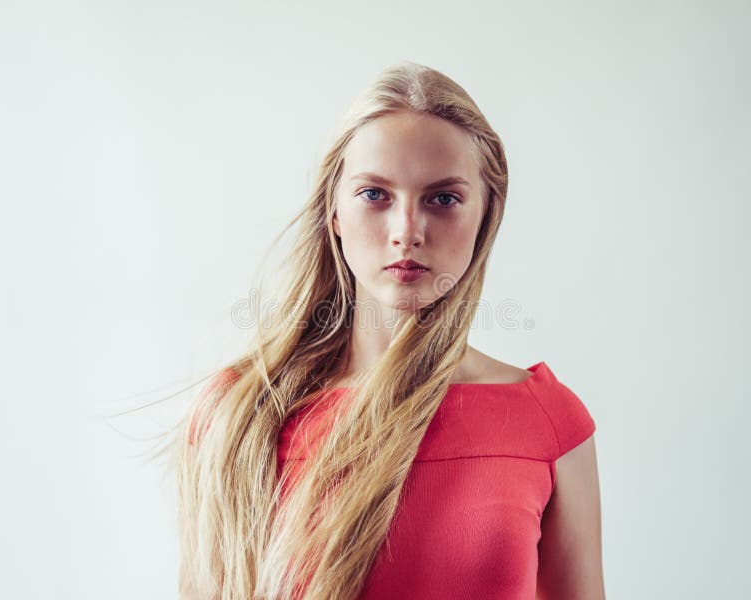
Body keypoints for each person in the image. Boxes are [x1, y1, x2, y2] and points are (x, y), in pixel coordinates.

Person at [176, 61, 604, 600]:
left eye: (443, 198)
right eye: (375, 195)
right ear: (333, 210)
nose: (407, 232)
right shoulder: (239, 415)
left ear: (485, 214)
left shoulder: (548, 422)